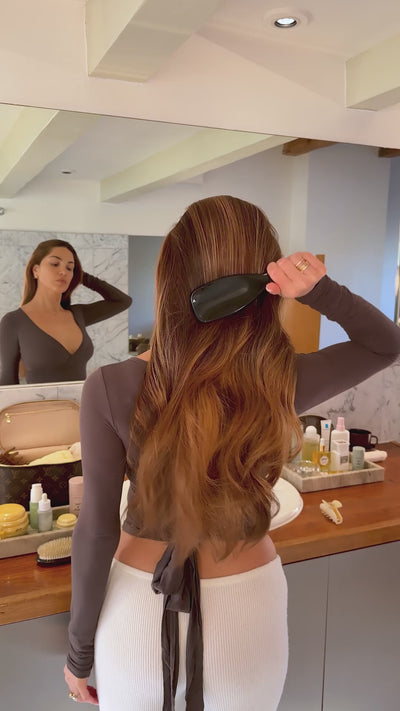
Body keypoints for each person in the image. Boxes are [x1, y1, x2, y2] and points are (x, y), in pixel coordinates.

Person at [64, 195, 400, 710]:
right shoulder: (279, 379)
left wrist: (79, 652)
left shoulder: (109, 386)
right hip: (247, 601)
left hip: (136, 606)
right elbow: (385, 344)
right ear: (264, 285)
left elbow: (96, 529)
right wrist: (321, 290)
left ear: (170, 278)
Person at [0, 239, 132, 384]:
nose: (63, 272)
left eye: (70, 268)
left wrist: (82, 276)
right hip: (39, 400)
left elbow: (122, 301)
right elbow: (8, 382)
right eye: (54, 264)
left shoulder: (78, 314)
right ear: (35, 270)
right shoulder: (14, 321)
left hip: (84, 399)